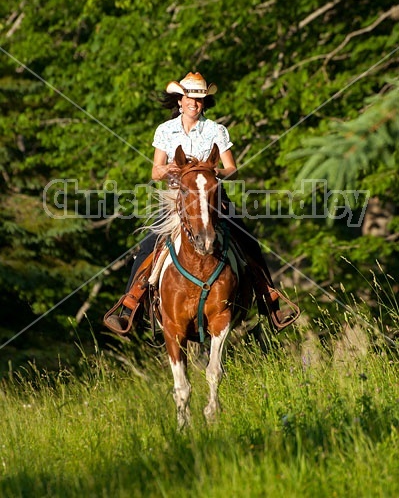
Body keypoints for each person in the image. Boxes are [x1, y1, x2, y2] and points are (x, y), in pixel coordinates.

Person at [103, 72, 298, 335]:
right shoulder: (165, 130)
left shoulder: (216, 129)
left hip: (211, 197)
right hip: (177, 198)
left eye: (199, 99)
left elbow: (232, 168)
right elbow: (154, 171)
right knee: (148, 245)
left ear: (203, 103)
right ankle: (130, 307)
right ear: (179, 101)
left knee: (248, 240)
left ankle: (270, 303)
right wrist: (169, 169)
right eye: (189, 98)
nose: (193, 103)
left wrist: (215, 173)